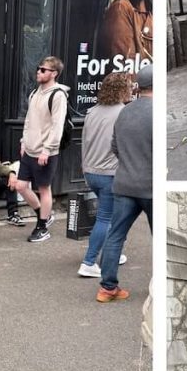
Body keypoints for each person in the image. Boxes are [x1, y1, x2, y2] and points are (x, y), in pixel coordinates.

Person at [96, 64, 152, 302]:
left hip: (124, 184)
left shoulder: (125, 112)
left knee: (115, 235)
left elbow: (115, 146)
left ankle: (107, 288)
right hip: (151, 187)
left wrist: (130, 163)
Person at [78, 72, 133, 277]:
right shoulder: (123, 113)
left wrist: (85, 169)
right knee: (106, 218)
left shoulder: (92, 112)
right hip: (111, 173)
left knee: (114, 216)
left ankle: (114, 253)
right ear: (123, 89)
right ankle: (89, 262)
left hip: (91, 171)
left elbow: (84, 143)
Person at [16, 55, 69, 243]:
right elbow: (29, 120)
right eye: (38, 68)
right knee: (20, 186)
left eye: (43, 69)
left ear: (54, 73)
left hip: (45, 152)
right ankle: (43, 215)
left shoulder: (58, 95)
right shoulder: (34, 93)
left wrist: (48, 149)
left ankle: (42, 227)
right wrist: (24, 141)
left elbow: (57, 125)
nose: (39, 71)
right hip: (30, 149)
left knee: (44, 189)